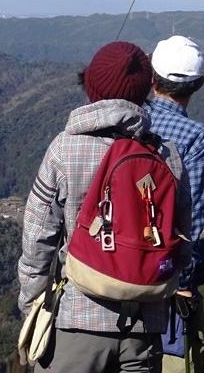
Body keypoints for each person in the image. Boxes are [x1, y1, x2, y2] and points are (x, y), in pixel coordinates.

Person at [18, 41, 192, 373]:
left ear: (91, 87)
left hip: (75, 322)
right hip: (143, 327)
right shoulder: (167, 155)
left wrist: (32, 305)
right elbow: (180, 240)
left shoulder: (65, 150)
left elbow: (37, 241)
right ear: (145, 92)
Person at [144, 35, 204, 373]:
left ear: (151, 75)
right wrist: (185, 282)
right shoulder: (196, 136)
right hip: (165, 272)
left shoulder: (130, 116)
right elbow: (192, 216)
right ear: (198, 85)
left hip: (112, 261)